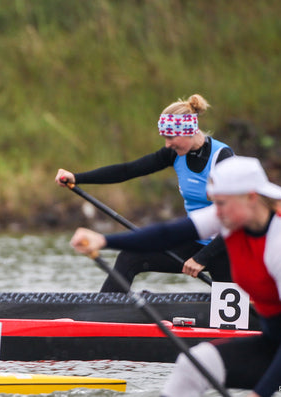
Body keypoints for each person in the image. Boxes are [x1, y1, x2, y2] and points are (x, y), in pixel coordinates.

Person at [70, 156, 281, 397]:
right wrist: (104, 242)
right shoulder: (230, 217)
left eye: (221, 203)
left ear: (251, 198)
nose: (214, 212)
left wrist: (262, 392)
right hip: (275, 345)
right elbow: (168, 234)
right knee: (191, 365)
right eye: (214, 203)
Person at [55, 94, 235, 292]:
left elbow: (237, 221)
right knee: (130, 256)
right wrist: (77, 177)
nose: (167, 144)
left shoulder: (223, 158)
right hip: (195, 241)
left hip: (227, 247)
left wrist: (203, 258)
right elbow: (127, 170)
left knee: (229, 312)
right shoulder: (174, 154)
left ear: (189, 132)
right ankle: (103, 313)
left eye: (170, 137)